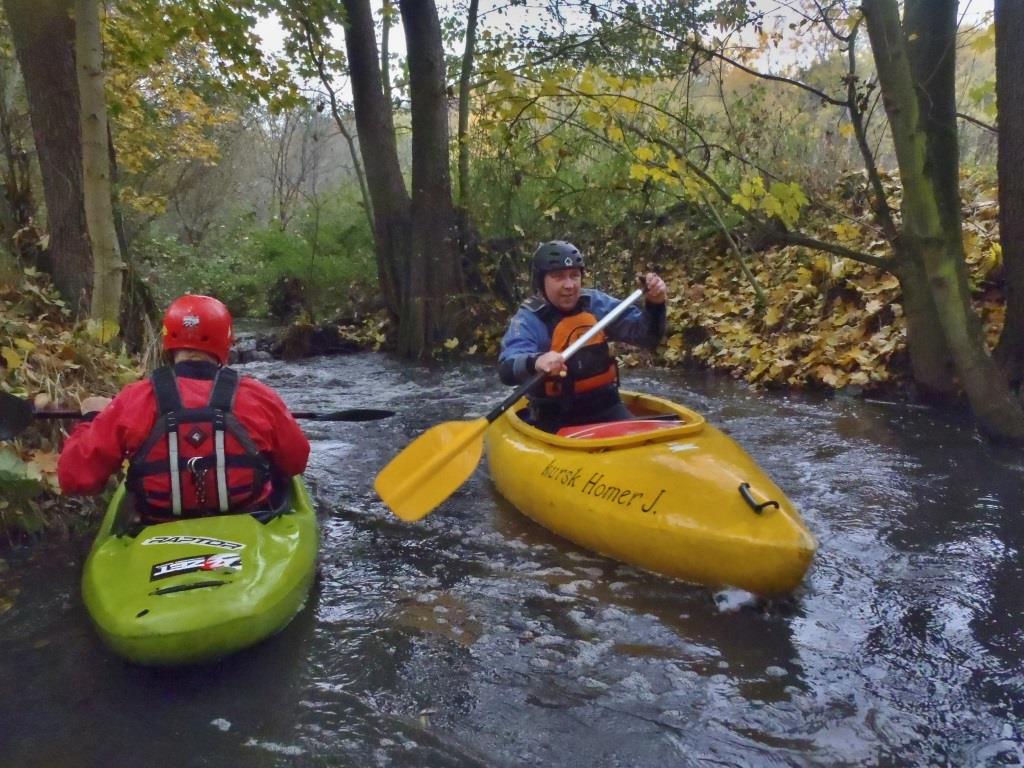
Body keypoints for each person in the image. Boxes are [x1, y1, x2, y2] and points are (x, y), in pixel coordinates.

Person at [58, 294, 310, 521]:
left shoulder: (133, 399)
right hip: (250, 519)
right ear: (226, 342)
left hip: (157, 525)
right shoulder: (258, 396)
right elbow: (295, 461)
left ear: (169, 341)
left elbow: (75, 478)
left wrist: (91, 418)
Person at [498, 240, 668, 432]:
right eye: (558, 276)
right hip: (553, 418)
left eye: (574, 275)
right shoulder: (529, 319)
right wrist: (536, 361)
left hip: (607, 408)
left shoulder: (595, 304)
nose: (569, 285)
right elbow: (507, 369)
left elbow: (647, 337)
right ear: (540, 282)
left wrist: (655, 304)